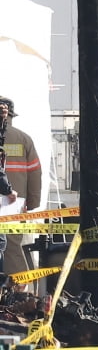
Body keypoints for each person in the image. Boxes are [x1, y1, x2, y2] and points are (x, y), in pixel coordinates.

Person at [0, 96, 43, 272]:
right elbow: (35, 173)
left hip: (8, 195)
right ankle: (18, 287)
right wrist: (32, 203)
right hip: (15, 202)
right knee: (12, 244)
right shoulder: (24, 139)